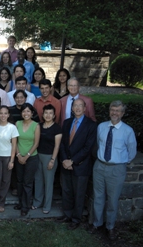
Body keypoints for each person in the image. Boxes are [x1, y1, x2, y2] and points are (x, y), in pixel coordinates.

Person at [89, 101, 137, 240]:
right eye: (112, 110)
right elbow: (98, 144)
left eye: (118, 111)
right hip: (99, 166)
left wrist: (120, 161)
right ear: (109, 111)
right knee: (98, 197)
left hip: (117, 169)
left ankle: (110, 227)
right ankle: (97, 224)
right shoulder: (101, 127)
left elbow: (132, 151)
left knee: (112, 200)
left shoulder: (128, 131)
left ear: (122, 113)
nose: (115, 113)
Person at [57, 99, 97, 230]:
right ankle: (67, 215)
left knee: (79, 194)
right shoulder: (67, 123)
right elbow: (63, 144)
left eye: (81, 105)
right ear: (72, 108)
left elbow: (87, 148)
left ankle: (76, 219)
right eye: (75, 105)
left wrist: (72, 161)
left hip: (80, 165)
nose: (78, 108)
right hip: (66, 164)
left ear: (85, 108)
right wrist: (64, 160)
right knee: (67, 191)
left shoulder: (91, 125)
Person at [32, 104, 62, 214]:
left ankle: (47, 205)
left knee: (48, 182)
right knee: (38, 180)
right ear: (42, 114)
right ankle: (37, 201)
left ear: (54, 115)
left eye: (50, 113)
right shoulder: (38, 126)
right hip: (38, 155)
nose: (48, 115)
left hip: (49, 157)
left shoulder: (57, 128)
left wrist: (53, 160)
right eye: (46, 113)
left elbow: (57, 146)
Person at [0, 106, 19, 213]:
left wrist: (12, 161)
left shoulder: (12, 127)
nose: (3, 115)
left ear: (8, 115)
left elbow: (14, 145)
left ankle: (1, 203)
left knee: (6, 181)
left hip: (7, 157)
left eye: (5, 113)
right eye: (1, 113)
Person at [14, 103, 40, 216]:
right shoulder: (17, 124)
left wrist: (26, 156)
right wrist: (19, 155)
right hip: (19, 156)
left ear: (32, 113)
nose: (26, 113)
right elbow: (15, 141)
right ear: (21, 113)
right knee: (19, 181)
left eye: (28, 111)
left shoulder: (36, 125)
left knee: (27, 182)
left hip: (31, 157)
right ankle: (21, 202)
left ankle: (25, 206)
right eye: (24, 111)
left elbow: (36, 143)